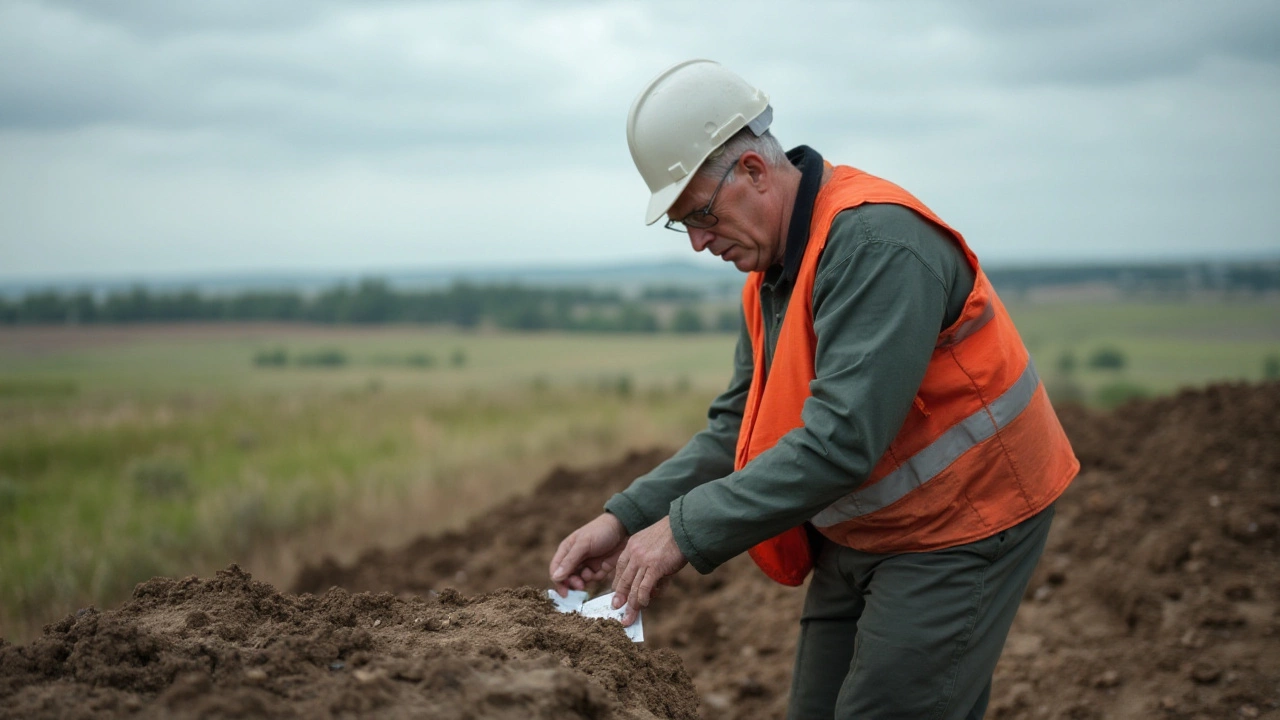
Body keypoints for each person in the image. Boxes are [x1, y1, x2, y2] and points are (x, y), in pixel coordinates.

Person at [549, 59, 1079, 720]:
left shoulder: (875, 244)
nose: (697, 242)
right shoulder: (772, 274)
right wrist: (625, 517)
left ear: (752, 170)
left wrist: (682, 532)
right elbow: (738, 425)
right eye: (679, 223)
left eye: (701, 214)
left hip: (966, 519)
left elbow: (841, 442)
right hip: (864, 528)